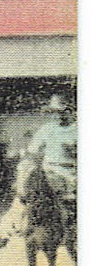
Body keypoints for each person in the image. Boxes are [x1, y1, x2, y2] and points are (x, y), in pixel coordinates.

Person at [26, 94, 77, 228]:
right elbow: (32, 149)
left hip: (73, 171)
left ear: (71, 111)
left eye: (62, 112)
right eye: (54, 112)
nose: (58, 115)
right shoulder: (47, 129)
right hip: (49, 170)